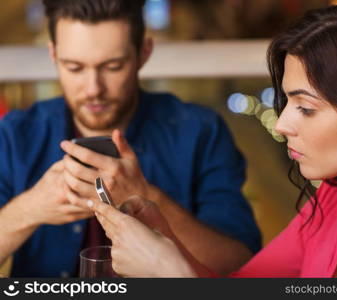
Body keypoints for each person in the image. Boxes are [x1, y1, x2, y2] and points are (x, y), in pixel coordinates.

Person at [90, 1, 337, 277]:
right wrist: (165, 240)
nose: (281, 125)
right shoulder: (333, 201)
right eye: (287, 102)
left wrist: (168, 271)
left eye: (306, 108)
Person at [0, 0, 261, 277]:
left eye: (113, 66)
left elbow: (239, 264)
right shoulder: (16, 134)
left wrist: (147, 197)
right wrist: (28, 210)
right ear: (53, 55)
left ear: (143, 53)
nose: (93, 89)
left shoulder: (200, 131)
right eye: (74, 67)